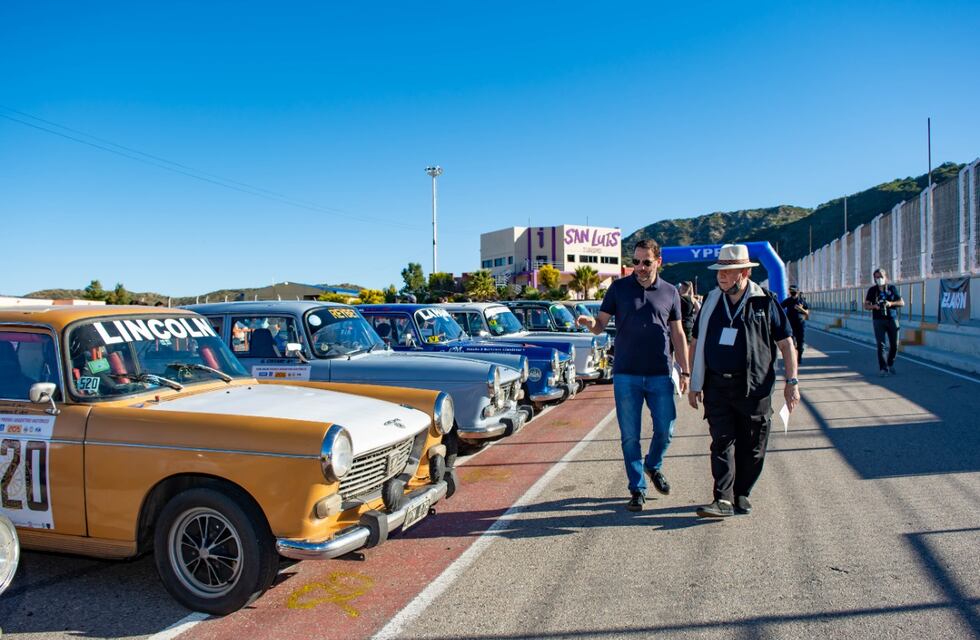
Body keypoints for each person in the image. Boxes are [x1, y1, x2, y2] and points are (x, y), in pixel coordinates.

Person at [577, 239, 690, 512]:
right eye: (636, 262)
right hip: (626, 374)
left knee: (666, 428)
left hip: (660, 373)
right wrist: (589, 323)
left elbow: (677, 333)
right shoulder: (618, 288)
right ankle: (637, 487)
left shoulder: (671, 292)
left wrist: (685, 370)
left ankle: (653, 464)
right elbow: (601, 324)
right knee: (630, 436)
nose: (639, 267)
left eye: (646, 262)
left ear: (658, 262)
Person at [687, 244, 800, 518]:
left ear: (745, 272)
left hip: (754, 388)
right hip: (717, 386)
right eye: (719, 272)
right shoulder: (712, 302)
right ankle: (722, 499)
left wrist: (792, 381)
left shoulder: (765, 302)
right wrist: (693, 381)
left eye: (729, 271)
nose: (721, 277)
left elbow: (786, 343)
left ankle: (741, 492)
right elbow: (695, 341)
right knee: (721, 442)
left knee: (753, 447)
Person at [864, 268, 904, 376]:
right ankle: (883, 368)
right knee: (881, 345)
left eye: (880, 277)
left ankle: (890, 363)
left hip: (892, 319)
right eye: (876, 277)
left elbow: (902, 302)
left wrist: (890, 304)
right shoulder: (872, 290)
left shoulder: (892, 288)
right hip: (878, 320)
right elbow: (866, 305)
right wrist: (874, 306)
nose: (879, 279)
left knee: (894, 345)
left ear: (885, 277)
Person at [780, 285, 809, 363]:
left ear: (797, 291)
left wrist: (801, 309)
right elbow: (779, 308)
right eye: (791, 290)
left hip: (800, 324)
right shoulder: (787, 300)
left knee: (800, 342)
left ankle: (799, 357)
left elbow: (807, 312)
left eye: (794, 290)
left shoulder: (802, 301)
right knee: (791, 342)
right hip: (790, 324)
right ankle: (793, 358)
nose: (792, 292)